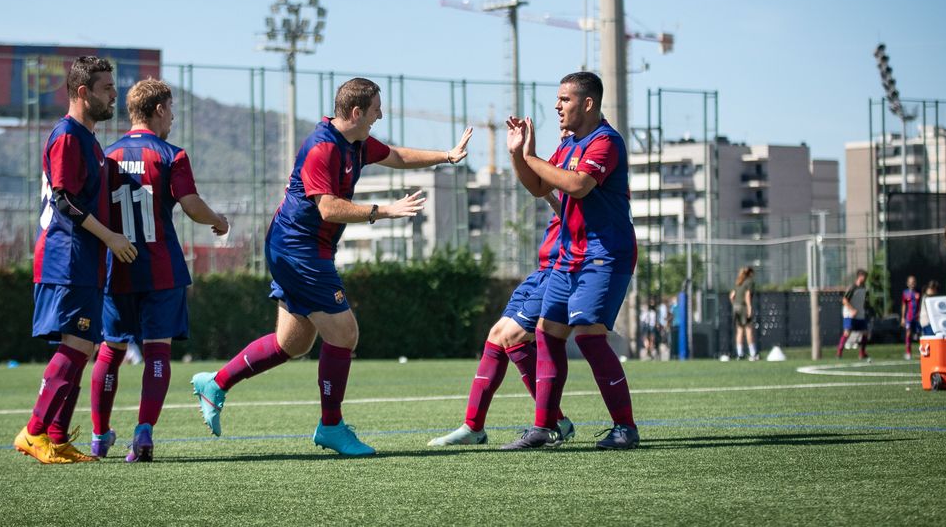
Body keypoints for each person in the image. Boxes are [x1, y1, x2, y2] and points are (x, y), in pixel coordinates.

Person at [190, 77, 472, 456]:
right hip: (298, 250)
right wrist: (385, 210)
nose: (380, 116)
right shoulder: (322, 148)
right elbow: (328, 207)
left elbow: (396, 156)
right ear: (356, 112)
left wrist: (446, 156)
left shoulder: (355, 143)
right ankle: (331, 426)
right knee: (344, 333)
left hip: (307, 249)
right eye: (375, 111)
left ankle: (216, 383)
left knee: (292, 343)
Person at [89, 79, 229, 463]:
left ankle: (99, 437)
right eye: (171, 111)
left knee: (110, 352)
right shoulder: (171, 155)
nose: (173, 119)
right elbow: (191, 205)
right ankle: (144, 431)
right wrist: (218, 220)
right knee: (156, 353)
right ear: (160, 110)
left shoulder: (107, 156)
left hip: (117, 268)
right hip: (161, 270)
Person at [499, 71, 639, 451]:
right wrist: (517, 154)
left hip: (605, 254)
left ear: (588, 103)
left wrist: (531, 157)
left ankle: (625, 428)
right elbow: (539, 187)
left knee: (590, 337)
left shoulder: (606, 141)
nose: (557, 106)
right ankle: (544, 428)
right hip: (569, 256)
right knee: (547, 333)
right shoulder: (569, 145)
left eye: (565, 99)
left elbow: (577, 185)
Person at [14, 56, 138, 466]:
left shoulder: (89, 140)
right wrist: (110, 237)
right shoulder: (68, 135)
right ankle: (34, 432)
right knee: (78, 345)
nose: (114, 95)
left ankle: (56, 437)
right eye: (107, 89)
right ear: (83, 92)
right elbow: (64, 201)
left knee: (81, 346)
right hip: (65, 258)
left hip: (83, 259)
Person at [427, 134, 577, 447]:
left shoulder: (587, 170)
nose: (563, 131)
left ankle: (554, 422)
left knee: (513, 336)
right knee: (497, 335)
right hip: (542, 270)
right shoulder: (565, 161)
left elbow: (576, 216)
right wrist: (518, 155)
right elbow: (542, 190)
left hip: (562, 271)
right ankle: (474, 428)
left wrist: (541, 179)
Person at [836, 269, 869, 360]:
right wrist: (852, 310)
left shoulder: (864, 287)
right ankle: (839, 352)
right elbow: (844, 300)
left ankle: (862, 353)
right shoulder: (853, 287)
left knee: (865, 332)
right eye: (865, 277)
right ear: (860, 276)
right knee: (847, 332)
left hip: (860, 313)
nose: (866, 279)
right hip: (849, 313)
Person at [730, 266, 758, 360]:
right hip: (743, 307)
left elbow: (732, 296)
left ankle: (740, 354)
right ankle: (753, 353)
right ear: (750, 273)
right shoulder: (749, 282)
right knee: (748, 330)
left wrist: (735, 305)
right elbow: (747, 295)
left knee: (739, 331)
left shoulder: (738, 282)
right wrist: (749, 308)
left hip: (736, 307)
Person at [901, 275, 921, 360]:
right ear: (907, 283)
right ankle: (908, 352)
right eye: (910, 282)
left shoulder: (919, 292)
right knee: (908, 333)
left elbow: (921, 303)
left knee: (919, 334)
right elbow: (904, 305)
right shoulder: (905, 293)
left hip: (917, 317)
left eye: (913, 282)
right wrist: (903, 317)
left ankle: (922, 352)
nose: (912, 284)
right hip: (909, 317)